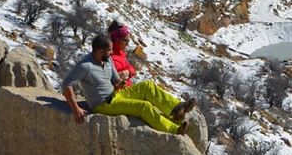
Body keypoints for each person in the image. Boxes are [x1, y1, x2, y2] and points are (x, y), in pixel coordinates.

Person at [62, 35, 196, 135]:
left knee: (147, 86)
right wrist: (75, 109)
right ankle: (174, 129)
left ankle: (176, 109)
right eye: (109, 51)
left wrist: (120, 83)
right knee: (143, 107)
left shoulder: (107, 61)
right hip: (103, 105)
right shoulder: (86, 66)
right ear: (100, 51)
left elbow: (115, 80)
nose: (111, 53)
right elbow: (66, 84)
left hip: (115, 94)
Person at [108, 20, 137, 86]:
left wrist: (128, 72)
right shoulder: (109, 56)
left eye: (128, 41)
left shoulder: (121, 54)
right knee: (149, 86)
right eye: (125, 41)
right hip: (120, 91)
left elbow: (132, 70)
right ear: (116, 39)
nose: (127, 44)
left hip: (127, 88)